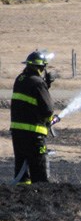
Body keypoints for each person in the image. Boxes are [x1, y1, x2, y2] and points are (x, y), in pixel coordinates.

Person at [10, 50, 58, 185]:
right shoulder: (38, 83)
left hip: (18, 134)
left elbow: (30, 97)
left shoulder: (20, 79)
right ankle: (39, 200)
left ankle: (20, 198)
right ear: (41, 67)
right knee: (39, 174)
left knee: (22, 174)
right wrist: (44, 86)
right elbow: (48, 110)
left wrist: (45, 85)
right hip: (34, 135)